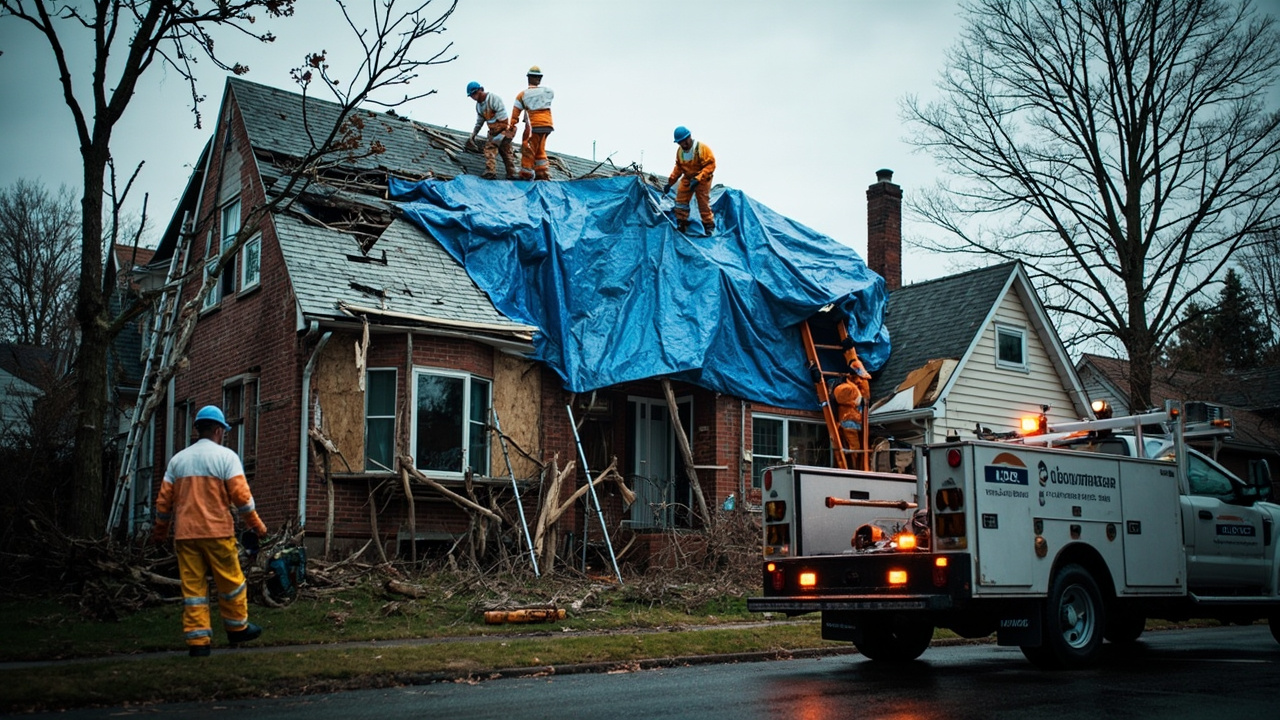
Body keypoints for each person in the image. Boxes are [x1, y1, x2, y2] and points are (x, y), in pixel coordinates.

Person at [152, 405, 269, 657]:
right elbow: (242, 499)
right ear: (218, 430)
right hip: (217, 533)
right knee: (231, 582)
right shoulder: (226, 457)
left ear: (198, 429)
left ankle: (198, 643)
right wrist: (257, 526)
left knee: (193, 590)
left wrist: (160, 533)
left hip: (186, 536)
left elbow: (163, 504)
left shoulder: (178, 461)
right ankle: (237, 628)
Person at [663, 126, 717, 236]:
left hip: (702, 179)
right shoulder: (680, 152)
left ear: (689, 137)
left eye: (684, 141)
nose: (683, 145)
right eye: (680, 143)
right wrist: (670, 182)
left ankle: (708, 225)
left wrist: (698, 179)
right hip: (688, 177)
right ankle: (682, 221)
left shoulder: (702, 149)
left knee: (703, 202)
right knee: (680, 200)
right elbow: (678, 168)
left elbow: (710, 165)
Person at [466, 81, 518, 180]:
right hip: (494, 130)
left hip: (503, 128)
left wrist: (497, 133)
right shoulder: (479, 106)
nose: (474, 97)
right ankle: (511, 173)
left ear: (481, 90)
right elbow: (479, 122)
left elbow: (503, 118)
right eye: (472, 95)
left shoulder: (493, 99)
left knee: (490, 148)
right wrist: (474, 134)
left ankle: (491, 171)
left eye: (475, 93)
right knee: (505, 150)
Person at [510, 66, 554, 180]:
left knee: (528, 148)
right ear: (539, 78)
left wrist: (511, 126)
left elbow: (515, 113)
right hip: (547, 125)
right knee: (540, 150)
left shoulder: (522, 95)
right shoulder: (547, 91)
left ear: (528, 77)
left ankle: (526, 173)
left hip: (534, 126)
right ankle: (542, 173)